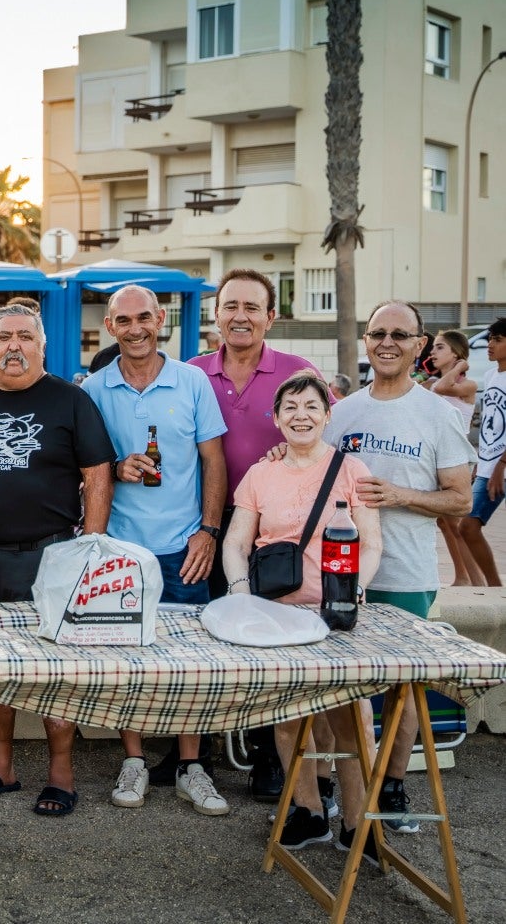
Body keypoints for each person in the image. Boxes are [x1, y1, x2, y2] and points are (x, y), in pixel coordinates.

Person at [0, 303, 114, 816]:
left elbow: (98, 475)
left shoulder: (71, 400)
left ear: (41, 346)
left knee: (57, 670)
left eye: (25, 337)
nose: (14, 345)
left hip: (51, 556)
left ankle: (61, 773)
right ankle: (2, 767)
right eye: (4, 337)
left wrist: (90, 549)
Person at [325, 300, 473, 834]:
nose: (387, 343)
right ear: (366, 341)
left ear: (419, 345)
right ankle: (343, 789)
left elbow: (460, 500)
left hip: (405, 572)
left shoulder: (438, 414)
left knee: (402, 689)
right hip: (340, 571)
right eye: (378, 333)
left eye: (399, 334)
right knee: (339, 688)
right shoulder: (342, 412)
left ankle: (390, 787)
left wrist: (400, 495)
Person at [80, 286, 230, 817]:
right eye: (124, 320)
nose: (136, 328)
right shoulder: (94, 388)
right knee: (127, 660)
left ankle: (191, 767)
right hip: (120, 547)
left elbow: (214, 461)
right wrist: (118, 467)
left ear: (160, 319)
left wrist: (208, 530)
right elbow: (85, 467)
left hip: (184, 545)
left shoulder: (192, 381)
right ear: (110, 327)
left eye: (144, 317)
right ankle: (134, 760)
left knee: (192, 661)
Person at [222, 371, 382, 853]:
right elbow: (236, 543)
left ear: (328, 415)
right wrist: (240, 591)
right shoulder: (260, 474)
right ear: (276, 418)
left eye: (311, 406)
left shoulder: (351, 470)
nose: (301, 416)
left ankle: (357, 823)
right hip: (278, 617)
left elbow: (372, 543)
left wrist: (354, 590)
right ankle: (309, 811)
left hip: (336, 615)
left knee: (352, 719)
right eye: (290, 407)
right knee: (289, 719)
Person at [188, 268, 328, 800]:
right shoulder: (192, 373)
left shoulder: (298, 373)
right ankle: (193, 755)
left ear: (271, 316)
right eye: (230, 306)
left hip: (275, 534)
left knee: (272, 641)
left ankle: (270, 757)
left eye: (252, 307)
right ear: (216, 314)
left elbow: (321, 439)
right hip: (204, 525)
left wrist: (289, 450)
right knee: (206, 636)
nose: (240, 316)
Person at [425, 330, 485, 586]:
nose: (432, 352)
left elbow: (442, 387)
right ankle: (463, 576)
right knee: (445, 522)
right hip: (439, 457)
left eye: (440, 347)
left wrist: (459, 366)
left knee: (455, 523)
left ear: (456, 353)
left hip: (457, 459)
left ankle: (475, 580)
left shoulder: (467, 385)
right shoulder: (433, 382)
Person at [460, 319, 506, 586]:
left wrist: (501, 465)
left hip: (501, 467)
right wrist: (482, 462)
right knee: (468, 526)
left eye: (497, 340)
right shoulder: (490, 376)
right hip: (489, 464)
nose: (490, 344)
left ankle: (494, 587)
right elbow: (491, 423)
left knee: (468, 525)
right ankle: (494, 587)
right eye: (490, 338)